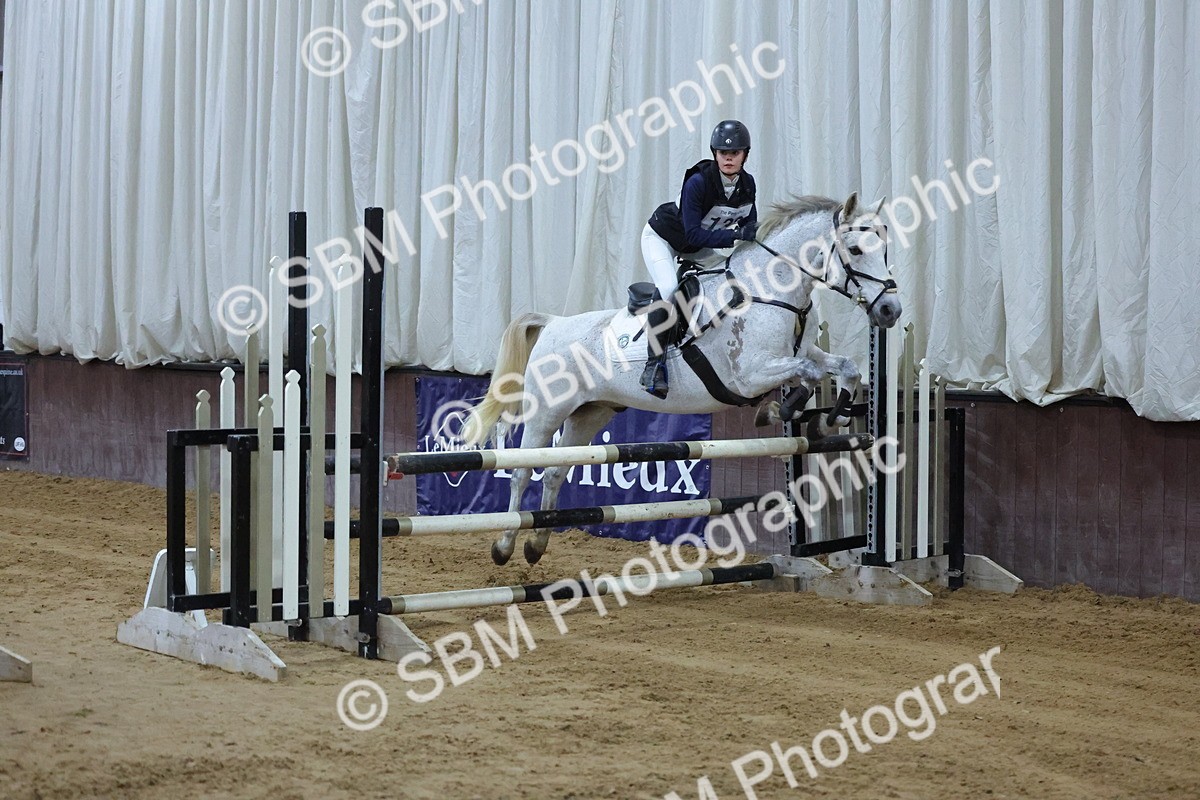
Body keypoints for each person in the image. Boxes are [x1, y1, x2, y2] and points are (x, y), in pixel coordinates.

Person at [639, 120, 759, 398]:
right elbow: (693, 235)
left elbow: (750, 228)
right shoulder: (698, 182)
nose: (728, 158)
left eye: (735, 153)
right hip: (663, 239)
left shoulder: (748, 185)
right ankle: (653, 364)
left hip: (697, 248)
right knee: (669, 287)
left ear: (745, 155)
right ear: (714, 153)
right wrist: (736, 235)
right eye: (722, 153)